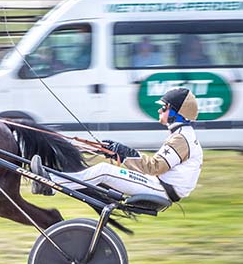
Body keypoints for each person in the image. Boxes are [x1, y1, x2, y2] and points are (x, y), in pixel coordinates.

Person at [31, 87, 203, 203]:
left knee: (104, 171)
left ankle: (50, 183)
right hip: (159, 184)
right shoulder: (183, 135)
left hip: (161, 188)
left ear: (176, 113)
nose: (160, 110)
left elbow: (155, 167)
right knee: (105, 170)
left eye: (164, 108)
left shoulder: (181, 138)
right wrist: (118, 152)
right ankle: (51, 182)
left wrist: (125, 153)